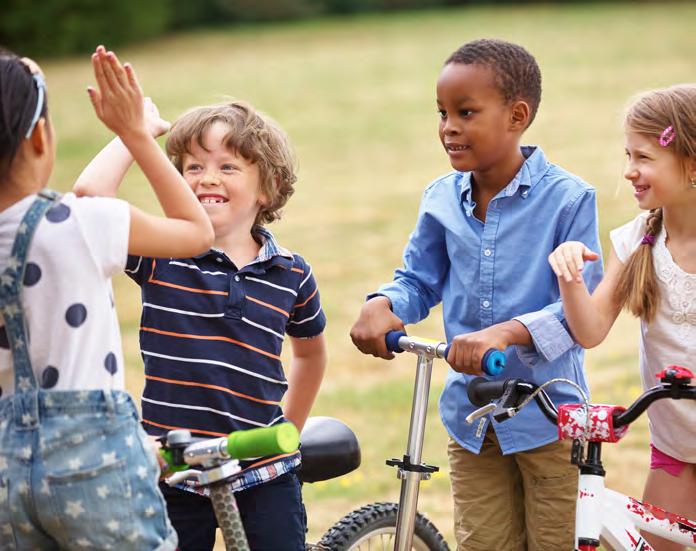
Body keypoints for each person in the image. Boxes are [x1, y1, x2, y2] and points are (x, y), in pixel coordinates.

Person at [350, 38, 603, 550]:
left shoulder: (568, 199)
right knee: (483, 542)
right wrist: (385, 304)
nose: (449, 126)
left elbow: (579, 310)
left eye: (466, 112)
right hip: (473, 419)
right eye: (442, 113)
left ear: (517, 115)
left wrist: (506, 333)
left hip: (550, 419)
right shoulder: (440, 198)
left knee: (557, 542)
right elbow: (419, 278)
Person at [74, 98, 327, 550]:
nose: (207, 177)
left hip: (260, 472)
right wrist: (137, 133)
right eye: (192, 167)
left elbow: (310, 351)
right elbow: (91, 198)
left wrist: (286, 430)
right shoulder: (162, 255)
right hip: (172, 468)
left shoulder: (291, 273)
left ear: (267, 188)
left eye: (228, 167)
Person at [0, 45, 214, 550]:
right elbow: (195, 232)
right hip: (93, 463)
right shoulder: (78, 224)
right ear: (38, 136)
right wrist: (136, 135)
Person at [548, 84, 696, 551]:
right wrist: (570, 277)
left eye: (644, 157)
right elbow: (590, 331)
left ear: (692, 164)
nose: (629, 171)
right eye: (627, 155)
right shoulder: (638, 240)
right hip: (675, 443)